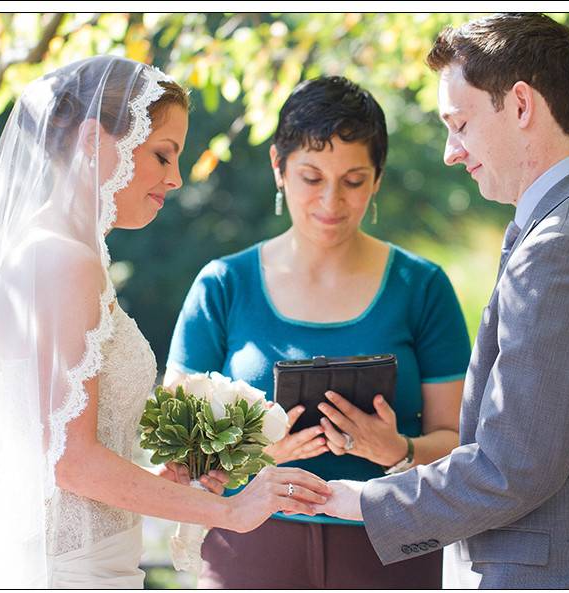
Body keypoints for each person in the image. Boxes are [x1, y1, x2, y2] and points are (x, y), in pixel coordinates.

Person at [0, 56, 330, 589]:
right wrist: (231, 512)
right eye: (163, 155)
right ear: (94, 141)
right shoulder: (65, 263)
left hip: (91, 558)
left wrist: (166, 481)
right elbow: (71, 463)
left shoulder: (53, 254)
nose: (176, 179)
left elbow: (58, 456)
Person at [318, 13, 569, 589]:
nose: (450, 152)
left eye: (459, 124)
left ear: (523, 105)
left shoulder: (564, 248)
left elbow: (515, 466)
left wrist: (359, 500)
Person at [164, 75, 472, 588]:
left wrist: (397, 450)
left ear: (377, 180)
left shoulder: (422, 287)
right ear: (278, 168)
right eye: (311, 177)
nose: (331, 201)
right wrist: (258, 454)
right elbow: (178, 451)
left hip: (390, 549)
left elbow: (461, 444)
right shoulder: (223, 285)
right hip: (247, 548)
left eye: (353, 181)